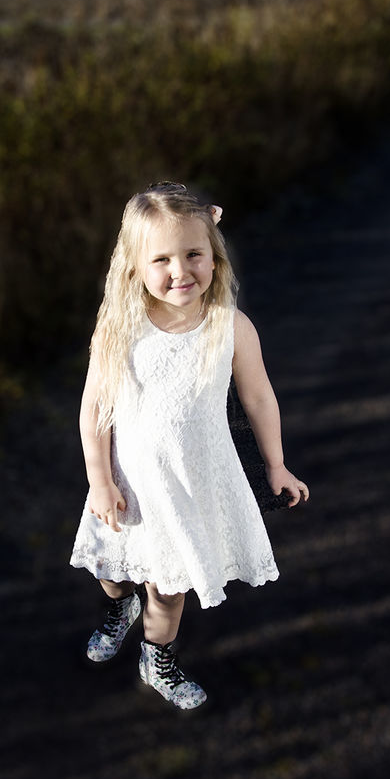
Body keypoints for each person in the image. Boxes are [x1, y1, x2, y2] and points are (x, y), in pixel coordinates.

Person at [68, 181, 309, 710]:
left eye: (193, 254)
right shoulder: (118, 330)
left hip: (188, 486)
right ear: (134, 266)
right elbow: (94, 412)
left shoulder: (230, 327)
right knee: (111, 570)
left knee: (168, 587)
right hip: (129, 486)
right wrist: (100, 482)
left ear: (214, 257)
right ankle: (119, 609)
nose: (181, 271)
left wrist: (277, 466)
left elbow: (260, 398)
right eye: (162, 259)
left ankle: (158, 659)